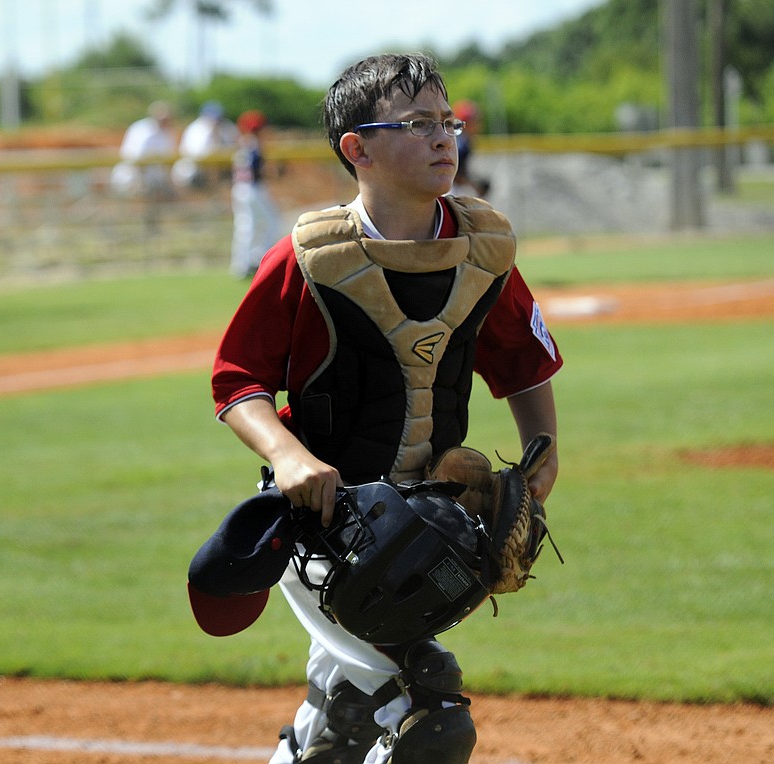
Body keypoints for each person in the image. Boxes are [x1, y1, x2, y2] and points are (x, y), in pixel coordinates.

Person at [210, 53, 562, 764]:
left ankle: (330, 728)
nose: (443, 137)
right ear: (358, 149)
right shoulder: (312, 257)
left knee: (343, 722)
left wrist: (542, 454)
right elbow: (237, 381)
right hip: (326, 528)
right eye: (418, 123)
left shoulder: (483, 250)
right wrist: (288, 456)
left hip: (431, 521)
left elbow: (524, 362)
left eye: (446, 121)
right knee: (432, 718)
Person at [229, 109, 284, 278]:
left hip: (240, 188)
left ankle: (241, 265)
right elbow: (260, 171)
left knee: (245, 227)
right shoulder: (255, 144)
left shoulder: (242, 144)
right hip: (254, 189)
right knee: (273, 221)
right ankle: (261, 259)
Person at [110, 101, 176, 199]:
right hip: (132, 178)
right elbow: (137, 160)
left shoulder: (167, 132)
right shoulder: (143, 130)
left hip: (154, 180)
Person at [172, 101, 239, 189]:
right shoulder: (196, 128)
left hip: (222, 169)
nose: (215, 121)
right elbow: (193, 153)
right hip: (198, 168)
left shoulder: (227, 126)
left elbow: (235, 148)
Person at [451, 100, 491, 198]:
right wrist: (474, 185)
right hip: (450, 189)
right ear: (466, 124)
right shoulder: (461, 143)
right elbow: (454, 173)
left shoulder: (465, 140)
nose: (479, 125)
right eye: (475, 121)